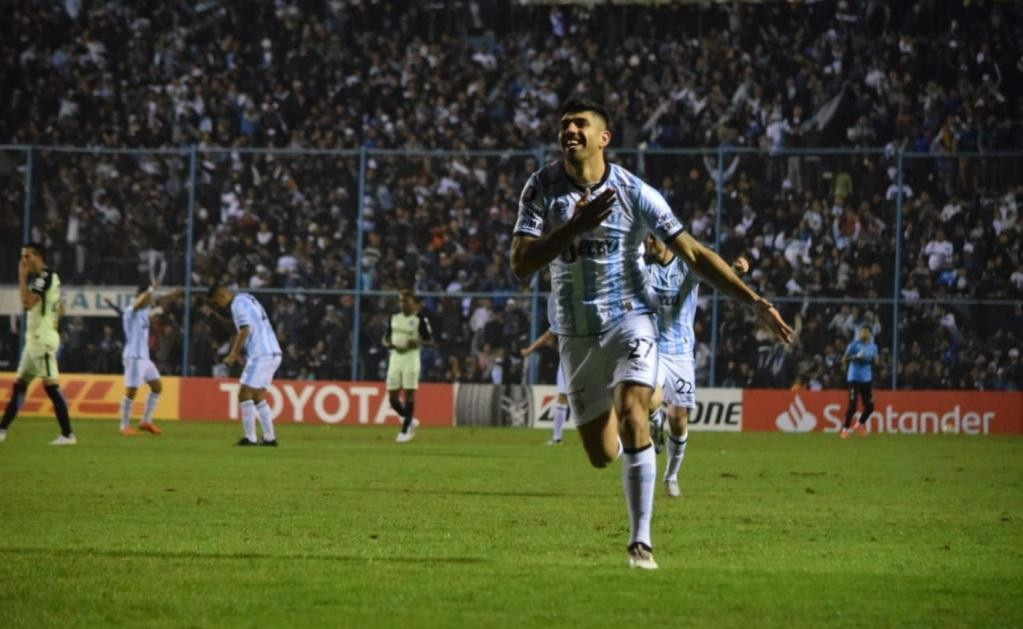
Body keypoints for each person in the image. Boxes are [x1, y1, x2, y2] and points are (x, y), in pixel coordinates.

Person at [511, 98, 793, 570]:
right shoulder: (540, 188)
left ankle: (640, 543)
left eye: (581, 124)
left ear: (604, 138)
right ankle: (653, 395)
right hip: (576, 333)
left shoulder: (635, 191)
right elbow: (521, 264)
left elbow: (695, 255)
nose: (570, 130)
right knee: (602, 455)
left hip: (631, 319)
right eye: (564, 125)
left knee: (632, 410)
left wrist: (753, 301)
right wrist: (576, 227)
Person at [643, 234, 751, 499]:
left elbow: (715, 274)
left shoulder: (685, 266)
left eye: (650, 237)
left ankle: (671, 477)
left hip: (680, 354)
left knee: (678, 420)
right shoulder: (644, 272)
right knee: (649, 402)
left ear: (664, 241)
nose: (646, 242)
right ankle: (654, 423)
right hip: (653, 348)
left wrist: (736, 272)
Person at [0, 243, 76, 445]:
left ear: (39, 256)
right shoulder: (52, 279)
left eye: (27, 256)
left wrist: (21, 276)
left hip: (42, 340)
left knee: (51, 386)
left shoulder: (44, 277)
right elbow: (61, 309)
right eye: (22, 257)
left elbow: (26, 302)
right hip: (33, 340)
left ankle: (68, 434)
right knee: (19, 386)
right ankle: (2, 430)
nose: (24, 261)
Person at [207, 285, 282, 446]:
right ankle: (270, 438)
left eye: (216, 303)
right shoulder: (247, 298)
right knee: (258, 396)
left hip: (260, 353)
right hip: (274, 351)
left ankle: (250, 438)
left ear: (221, 295)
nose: (218, 306)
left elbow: (245, 330)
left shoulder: (237, 305)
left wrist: (233, 354)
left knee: (244, 394)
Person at [115, 283, 182, 436]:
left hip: (144, 358)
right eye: (148, 297)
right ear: (141, 296)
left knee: (157, 387)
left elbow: (159, 300)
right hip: (133, 357)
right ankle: (124, 425)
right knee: (131, 392)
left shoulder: (145, 311)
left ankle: (146, 421)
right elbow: (142, 301)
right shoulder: (131, 310)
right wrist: (151, 288)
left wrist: (172, 294)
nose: (151, 300)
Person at [383, 289, 433, 443]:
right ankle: (409, 419)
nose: (402, 304)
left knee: (409, 393)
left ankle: (405, 430)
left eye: (406, 301)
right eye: (400, 301)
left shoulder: (420, 319)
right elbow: (385, 338)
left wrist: (417, 342)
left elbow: (430, 341)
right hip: (396, 357)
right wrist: (387, 344)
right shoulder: (394, 318)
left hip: (411, 358)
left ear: (413, 303)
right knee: (392, 398)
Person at [520, 329, 569, 445]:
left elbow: (547, 336)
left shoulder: (563, 317)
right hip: (582, 359)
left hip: (569, 361)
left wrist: (529, 350)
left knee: (563, 398)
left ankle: (557, 438)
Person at [841, 325, 877, 438]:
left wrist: (871, 359)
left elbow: (875, 360)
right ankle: (845, 429)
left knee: (870, 407)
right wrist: (856, 356)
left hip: (866, 379)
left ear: (870, 334)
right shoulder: (853, 345)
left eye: (866, 332)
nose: (863, 334)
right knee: (853, 406)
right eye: (862, 332)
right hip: (854, 378)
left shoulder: (873, 347)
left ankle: (860, 424)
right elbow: (844, 359)